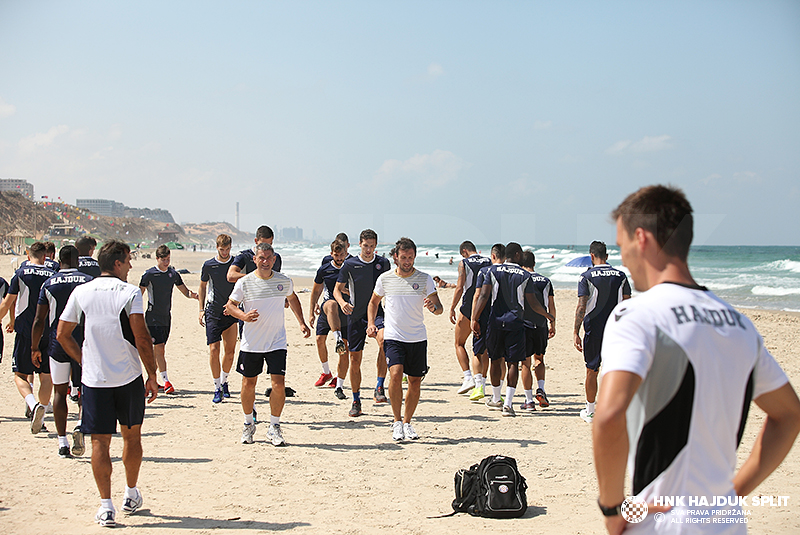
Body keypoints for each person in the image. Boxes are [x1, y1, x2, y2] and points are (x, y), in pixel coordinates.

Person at [593, 185, 800, 534]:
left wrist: (613, 508)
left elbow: (610, 414)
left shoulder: (638, 314)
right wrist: (733, 492)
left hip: (662, 521)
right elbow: (789, 414)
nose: (623, 257)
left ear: (641, 238)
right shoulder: (739, 324)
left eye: (621, 245)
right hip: (725, 521)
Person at [57, 239, 159, 527]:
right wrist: (153, 375)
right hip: (127, 377)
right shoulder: (128, 292)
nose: (129, 266)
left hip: (94, 379)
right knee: (131, 437)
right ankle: (130, 492)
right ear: (116, 263)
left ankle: (106, 506)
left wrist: (83, 361)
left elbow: (63, 334)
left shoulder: (81, 291)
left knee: (99, 442)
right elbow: (141, 337)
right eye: (127, 260)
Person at [224, 242, 310, 446]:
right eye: (260, 258)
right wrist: (243, 316)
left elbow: (293, 298)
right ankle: (248, 424)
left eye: (268, 258)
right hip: (252, 343)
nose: (264, 261)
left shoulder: (283, 281)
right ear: (254, 259)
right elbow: (230, 305)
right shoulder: (245, 282)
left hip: (276, 341)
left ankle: (274, 426)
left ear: (274, 260)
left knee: (278, 385)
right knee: (248, 384)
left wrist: (301, 323)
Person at [368, 237, 442, 441]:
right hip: (393, 336)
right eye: (403, 257)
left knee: (415, 381)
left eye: (410, 257)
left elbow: (439, 308)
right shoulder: (385, 279)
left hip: (417, 337)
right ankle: (396, 421)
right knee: (395, 374)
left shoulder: (425, 279)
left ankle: (408, 422)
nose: (407, 261)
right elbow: (373, 302)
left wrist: (433, 307)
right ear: (395, 257)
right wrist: (371, 323)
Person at [472, 243, 554, 417]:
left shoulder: (492, 272)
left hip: (495, 322)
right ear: (517, 255)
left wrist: (475, 318)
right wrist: (547, 315)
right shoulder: (525, 275)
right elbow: (533, 303)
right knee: (513, 363)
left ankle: (496, 398)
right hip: (516, 322)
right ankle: (508, 404)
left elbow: (484, 296)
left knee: (495, 360)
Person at [30, 245, 93, 457]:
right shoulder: (87, 281)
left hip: (57, 342)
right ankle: (80, 425)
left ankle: (61, 441)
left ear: (59, 259)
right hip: (82, 341)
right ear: (77, 260)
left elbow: (39, 319)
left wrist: (34, 347)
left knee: (59, 391)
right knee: (84, 388)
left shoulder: (49, 283)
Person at [334, 229, 391, 417]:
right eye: (366, 246)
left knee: (384, 342)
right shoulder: (350, 264)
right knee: (354, 359)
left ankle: (380, 386)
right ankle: (356, 400)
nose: (368, 250)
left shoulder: (383, 263)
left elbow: (390, 288)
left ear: (376, 246)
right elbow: (337, 289)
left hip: (378, 313)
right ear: (360, 244)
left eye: (372, 246)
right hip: (355, 316)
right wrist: (342, 303)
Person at [0, 242, 55, 433]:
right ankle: (42, 408)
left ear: (27, 253)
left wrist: (3, 319)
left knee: (20, 375)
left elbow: (8, 302)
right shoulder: (52, 275)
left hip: (26, 331)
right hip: (48, 332)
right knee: (46, 376)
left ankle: (33, 405)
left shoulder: (20, 274)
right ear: (46, 257)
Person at [573, 241, 631, 424]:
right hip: (616, 330)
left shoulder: (586, 277)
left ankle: (591, 411)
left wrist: (575, 331)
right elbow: (627, 304)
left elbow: (582, 306)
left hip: (594, 328)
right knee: (614, 370)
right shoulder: (621, 276)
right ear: (606, 256)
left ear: (592, 256)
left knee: (592, 370)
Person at [139, 244, 199, 394]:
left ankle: (151, 380)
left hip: (167, 317)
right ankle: (166, 381)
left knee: (158, 350)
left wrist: (195, 297)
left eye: (168, 259)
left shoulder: (173, 274)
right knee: (160, 348)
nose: (166, 262)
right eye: (163, 260)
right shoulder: (149, 275)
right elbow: (138, 294)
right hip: (152, 317)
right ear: (157, 258)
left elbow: (185, 291)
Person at [198, 234, 238, 403]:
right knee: (214, 350)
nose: (225, 252)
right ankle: (216, 387)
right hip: (213, 311)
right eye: (222, 249)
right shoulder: (209, 265)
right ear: (217, 248)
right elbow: (202, 286)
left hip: (232, 311)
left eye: (227, 249)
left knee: (230, 352)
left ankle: (224, 381)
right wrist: (201, 310)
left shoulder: (236, 263)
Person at [449, 241, 491, 395]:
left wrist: (452, 307)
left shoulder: (464, 263)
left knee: (459, 343)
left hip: (468, 306)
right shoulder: (489, 260)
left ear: (464, 251)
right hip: (486, 306)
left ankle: (468, 377)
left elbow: (460, 287)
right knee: (483, 348)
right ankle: (482, 383)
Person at [308, 239, 350, 392]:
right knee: (319, 339)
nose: (339, 259)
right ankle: (326, 372)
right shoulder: (324, 269)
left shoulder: (350, 267)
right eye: (336, 255)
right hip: (328, 307)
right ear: (331, 254)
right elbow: (315, 291)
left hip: (345, 309)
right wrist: (311, 311)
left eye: (341, 255)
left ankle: (339, 378)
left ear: (346, 253)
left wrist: (348, 292)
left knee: (344, 349)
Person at [467, 244, 504, 402]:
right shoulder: (508, 273)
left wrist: (473, 317)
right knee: (499, 356)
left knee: (478, 351)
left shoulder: (485, 271)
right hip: (501, 316)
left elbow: (477, 295)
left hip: (484, 315)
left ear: (493, 256)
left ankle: (479, 386)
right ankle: (498, 392)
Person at [519, 250, 556, 410]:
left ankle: (529, 400)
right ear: (534, 263)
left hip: (524, 324)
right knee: (539, 359)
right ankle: (541, 388)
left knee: (525, 363)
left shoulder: (520, 279)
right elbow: (551, 305)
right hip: (540, 324)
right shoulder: (545, 281)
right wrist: (552, 323)